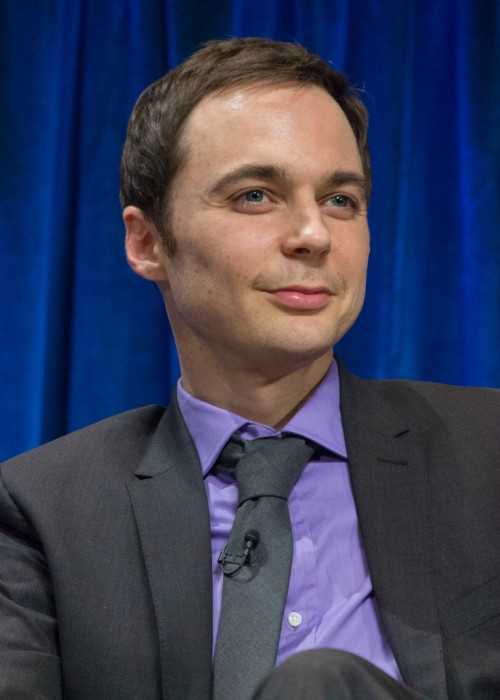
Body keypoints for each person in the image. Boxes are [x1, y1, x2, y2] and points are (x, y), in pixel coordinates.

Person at [1, 37, 499, 700]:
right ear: (147, 243)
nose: (314, 234)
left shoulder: (488, 449)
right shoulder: (43, 512)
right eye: (256, 196)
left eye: (340, 200)